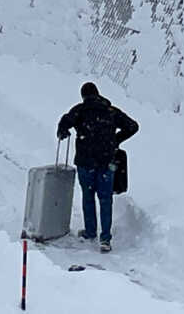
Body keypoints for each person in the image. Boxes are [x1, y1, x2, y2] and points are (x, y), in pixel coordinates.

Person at [57, 82, 138, 253]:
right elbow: (133, 126)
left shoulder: (79, 110)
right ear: (98, 94)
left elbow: (65, 121)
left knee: (88, 196)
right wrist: (115, 140)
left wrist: (63, 131)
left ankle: (90, 231)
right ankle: (105, 239)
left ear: (84, 96)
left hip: (86, 163)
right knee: (105, 199)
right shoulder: (111, 111)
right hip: (106, 162)